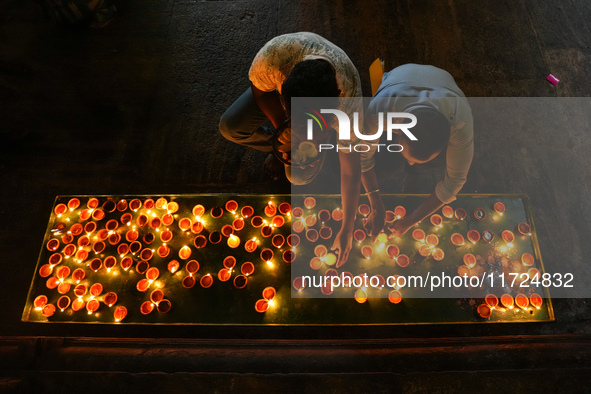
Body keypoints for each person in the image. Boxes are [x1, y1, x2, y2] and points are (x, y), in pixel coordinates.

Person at [219, 32, 370, 266]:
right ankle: (277, 147)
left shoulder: (348, 105)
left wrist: (347, 227)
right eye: (298, 122)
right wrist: (282, 128)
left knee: (297, 175)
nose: (302, 134)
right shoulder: (273, 59)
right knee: (230, 127)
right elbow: (259, 91)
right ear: (285, 92)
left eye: (313, 129)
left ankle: (319, 150)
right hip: (284, 102)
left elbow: (351, 170)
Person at [357, 64, 474, 254]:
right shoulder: (381, 112)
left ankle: (416, 174)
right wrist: (375, 202)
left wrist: (411, 220)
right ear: (397, 134)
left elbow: (454, 182)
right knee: (387, 167)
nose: (409, 162)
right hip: (398, 79)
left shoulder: (460, 120)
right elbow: (362, 158)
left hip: (444, 81)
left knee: (427, 168)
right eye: (408, 156)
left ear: (446, 143)